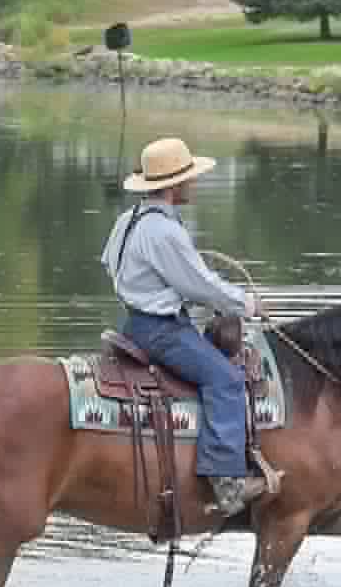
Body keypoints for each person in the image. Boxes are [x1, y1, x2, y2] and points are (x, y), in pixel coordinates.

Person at [99, 136, 267, 518]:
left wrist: (151, 286)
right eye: (189, 178)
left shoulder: (129, 220)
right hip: (163, 331)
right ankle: (227, 483)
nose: (194, 184)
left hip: (135, 323)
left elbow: (111, 264)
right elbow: (200, 285)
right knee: (226, 379)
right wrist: (248, 304)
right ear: (174, 186)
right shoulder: (165, 232)